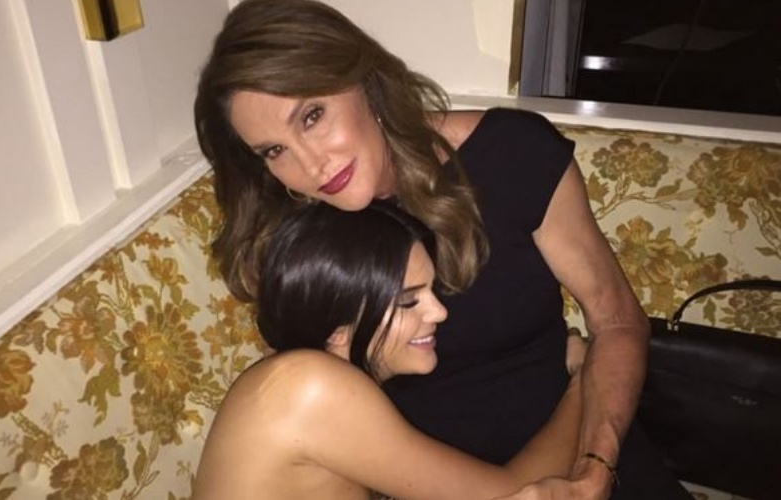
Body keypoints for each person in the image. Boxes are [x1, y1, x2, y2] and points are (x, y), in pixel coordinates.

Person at [194, 1, 692, 498]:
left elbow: (617, 320)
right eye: (274, 150)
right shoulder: (293, 235)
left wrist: (595, 466)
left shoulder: (509, 154)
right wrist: (578, 382)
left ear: (362, 78)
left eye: (312, 116)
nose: (311, 165)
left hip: (587, 449)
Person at [192, 201, 587, 500]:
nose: (439, 312)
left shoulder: (310, 372)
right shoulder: (312, 389)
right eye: (408, 300)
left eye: (431, 290)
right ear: (338, 328)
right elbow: (515, 493)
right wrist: (584, 381)